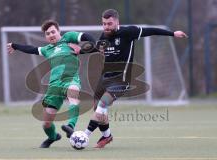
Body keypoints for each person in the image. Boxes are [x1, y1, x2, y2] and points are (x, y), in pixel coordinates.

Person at [74, 9, 188, 148]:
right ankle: (107, 136)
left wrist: (172, 33)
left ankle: (84, 136)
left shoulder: (128, 32)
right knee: (98, 109)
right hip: (104, 78)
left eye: (109, 23)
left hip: (121, 80)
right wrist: (80, 50)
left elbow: (149, 30)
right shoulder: (104, 36)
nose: (106, 27)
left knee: (102, 106)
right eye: (104, 24)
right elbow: (98, 48)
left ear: (117, 22)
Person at [7, 20, 96, 148]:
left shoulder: (68, 38)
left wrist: (82, 50)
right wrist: (15, 45)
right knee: (46, 123)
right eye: (48, 34)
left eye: (53, 32)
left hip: (70, 79)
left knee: (73, 94)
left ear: (58, 31)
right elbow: (31, 49)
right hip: (54, 86)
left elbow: (88, 38)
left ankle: (70, 126)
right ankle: (53, 137)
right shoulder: (47, 49)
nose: (51, 35)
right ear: (46, 37)